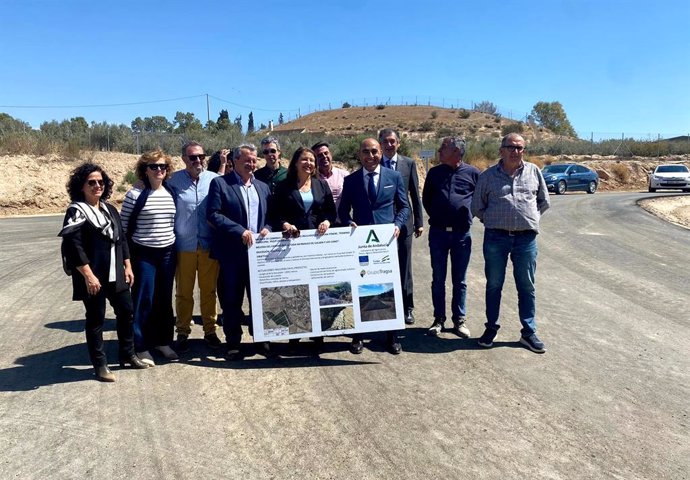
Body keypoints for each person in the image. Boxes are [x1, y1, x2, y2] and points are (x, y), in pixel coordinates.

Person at [59, 163, 149, 382]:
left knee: (126, 312)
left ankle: (128, 354)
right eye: (91, 182)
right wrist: (88, 275)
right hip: (93, 277)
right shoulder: (76, 211)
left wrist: (127, 265)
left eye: (101, 182)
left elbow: (122, 240)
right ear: (81, 186)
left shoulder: (109, 209)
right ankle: (100, 365)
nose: (97, 185)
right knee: (96, 319)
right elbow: (73, 247)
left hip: (115, 273)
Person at [471, 133, 550, 353]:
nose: (516, 151)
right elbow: (477, 206)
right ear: (501, 150)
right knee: (494, 284)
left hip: (526, 239)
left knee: (526, 285)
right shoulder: (487, 176)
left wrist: (529, 218)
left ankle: (528, 332)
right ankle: (491, 328)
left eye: (520, 148)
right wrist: (493, 219)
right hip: (496, 238)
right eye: (511, 147)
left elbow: (544, 202)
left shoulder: (534, 171)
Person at [338, 138, 409, 355]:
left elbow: (404, 207)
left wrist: (397, 225)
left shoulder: (394, 177)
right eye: (365, 152)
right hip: (360, 245)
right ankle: (358, 336)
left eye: (375, 152)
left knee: (388, 289)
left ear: (381, 153)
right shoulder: (350, 181)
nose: (370, 156)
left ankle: (392, 335)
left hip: (386, 244)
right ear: (359, 155)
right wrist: (348, 222)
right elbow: (342, 211)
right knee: (361, 288)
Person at [207, 143, 273, 361]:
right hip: (231, 254)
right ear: (235, 161)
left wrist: (268, 228)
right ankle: (233, 342)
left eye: (254, 160)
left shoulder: (262, 187)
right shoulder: (220, 184)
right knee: (231, 299)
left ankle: (261, 338)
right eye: (247, 160)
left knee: (259, 298)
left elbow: (271, 217)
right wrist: (239, 231)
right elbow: (213, 214)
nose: (251, 164)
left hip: (258, 254)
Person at [271, 146, 337, 353]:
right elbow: (275, 214)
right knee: (296, 290)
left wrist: (326, 221)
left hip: (316, 245)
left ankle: (317, 332)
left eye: (312, 160)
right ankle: (295, 332)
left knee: (317, 288)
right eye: (305, 160)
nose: (309, 163)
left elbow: (330, 212)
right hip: (292, 245)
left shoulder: (321, 185)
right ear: (296, 163)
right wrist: (285, 225)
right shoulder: (283, 187)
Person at [120, 150, 177, 365]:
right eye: (154, 166)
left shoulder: (170, 192)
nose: (159, 170)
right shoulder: (135, 195)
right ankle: (141, 346)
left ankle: (163, 342)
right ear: (145, 170)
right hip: (144, 254)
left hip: (168, 253)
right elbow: (124, 229)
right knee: (144, 299)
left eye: (163, 166)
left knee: (164, 299)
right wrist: (127, 260)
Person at [167, 142, 222, 353]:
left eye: (201, 156)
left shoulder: (215, 180)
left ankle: (210, 330)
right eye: (193, 157)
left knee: (209, 291)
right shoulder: (173, 181)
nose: (198, 160)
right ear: (183, 159)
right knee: (183, 292)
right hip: (184, 245)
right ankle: (182, 332)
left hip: (208, 245)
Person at [423, 137, 479, 338]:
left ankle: (459, 320)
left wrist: (467, 215)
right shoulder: (434, 173)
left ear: (456, 151)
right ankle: (439, 319)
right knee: (438, 279)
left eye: (443, 148)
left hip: (461, 235)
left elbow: (480, 199)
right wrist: (440, 215)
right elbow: (426, 200)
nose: (439, 151)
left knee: (460, 280)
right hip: (438, 233)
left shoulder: (473, 173)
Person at [379, 128, 424, 325]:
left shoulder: (409, 164)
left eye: (392, 141)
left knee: (404, 267)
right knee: (383, 266)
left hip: (405, 224)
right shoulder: (375, 164)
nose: (389, 145)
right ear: (380, 144)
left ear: (398, 143)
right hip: (382, 225)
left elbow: (414, 194)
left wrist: (419, 222)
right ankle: (386, 306)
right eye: (385, 142)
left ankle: (407, 308)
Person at [311, 141, 349, 212]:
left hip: (342, 221)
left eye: (326, 153)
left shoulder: (344, 175)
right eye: (319, 155)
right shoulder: (311, 179)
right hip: (321, 222)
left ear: (331, 154)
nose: (324, 157)